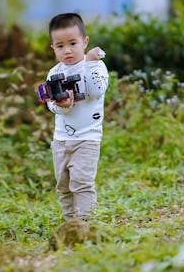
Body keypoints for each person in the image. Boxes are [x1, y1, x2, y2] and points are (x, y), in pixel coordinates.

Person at [45, 13, 109, 220]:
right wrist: (63, 106)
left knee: (81, 183)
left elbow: (96, 90)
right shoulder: (54, 73)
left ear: (85, 42)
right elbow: (50, 104)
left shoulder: (96, 66)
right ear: (53, 48)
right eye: (60, 46)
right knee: (63, 185)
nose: (68, 50)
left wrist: (90, 63)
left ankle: (85, 224)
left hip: (88, 138)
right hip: (61, 139)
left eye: (73, 43)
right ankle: (69, 223)